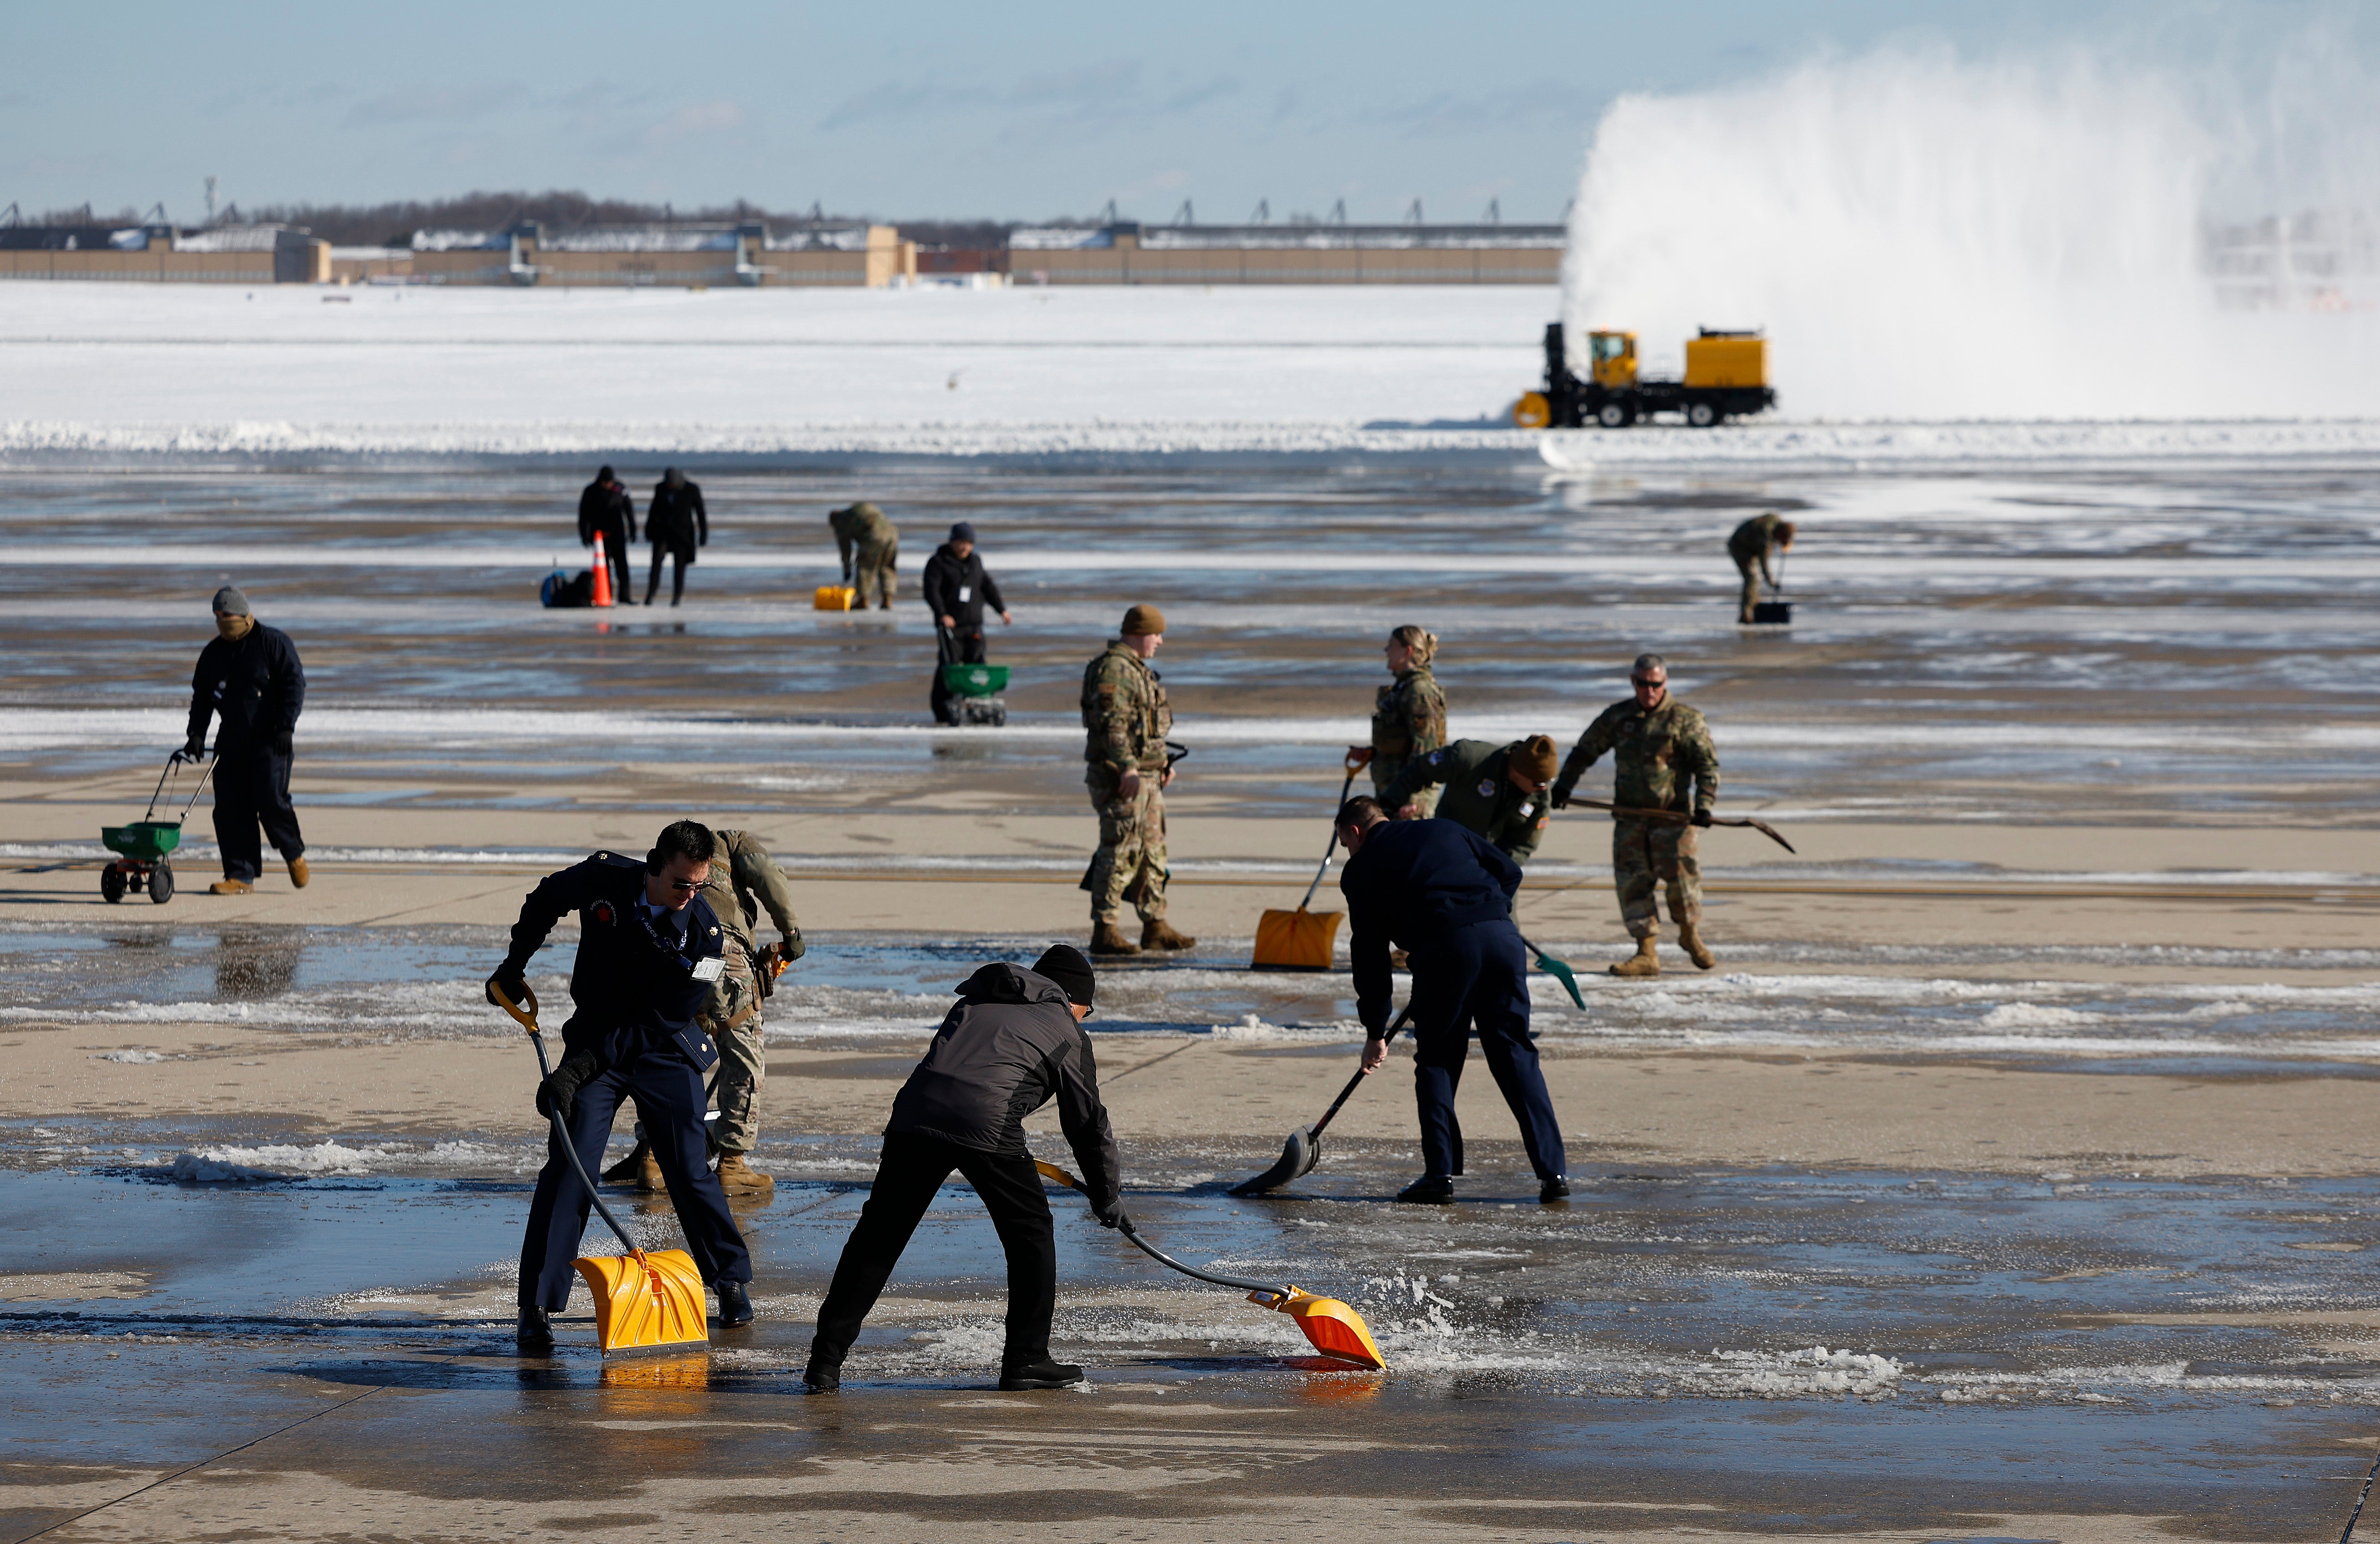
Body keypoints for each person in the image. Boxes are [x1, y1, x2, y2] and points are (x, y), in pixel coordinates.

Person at [803, 944, 1122, 1393]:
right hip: (986, 1123)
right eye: (1085, 1012)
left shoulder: (975, 1001)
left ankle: (824, 1362)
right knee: (1031, 1233)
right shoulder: (1065, 1031)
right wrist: (1108, 1194)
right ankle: (1027, 1359)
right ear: (1073, 1000)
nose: (1082, 1021)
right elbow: (1087, 1122)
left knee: (879, 1236)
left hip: (914, 1116)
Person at [486, 820, 754, 1353]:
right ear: (655, 866)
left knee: (685, 1167)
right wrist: (515, 964)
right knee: (570, 1165)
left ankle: (728, 1278)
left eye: (700, 886)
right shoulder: (607, 879)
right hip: (598, 1038)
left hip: (662, 1046)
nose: (690, 896)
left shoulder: (705, 937)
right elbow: (547, 898)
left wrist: (577, 1069)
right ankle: (536, 1304)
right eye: (682, 884)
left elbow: (656, 1020)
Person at [1337, 797, 1568, 1205]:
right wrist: (1489, 913)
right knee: (1515, 1053)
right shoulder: (1443, 828)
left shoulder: (1361, 869)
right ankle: (1553, 1172)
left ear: (1355, 832)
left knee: (1438, 1058)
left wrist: (1375, 1029)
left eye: (1345, 845)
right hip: (1503, 941)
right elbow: (1508, 871)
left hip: (1446, 951)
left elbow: (1369, 956)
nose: (1348, 853)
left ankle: (1439, 1175)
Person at [604, 826, 806, 1197]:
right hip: (722, 952)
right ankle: (732, 1165)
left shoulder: (675, 857)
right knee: (743, 1048)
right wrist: (791, 935)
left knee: (666, 1047)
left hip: (669, 948)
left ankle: (652, 1157)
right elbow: (769, 877)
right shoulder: (732, 842)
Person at [1550, 654, 1722, 978]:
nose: (1649, 691)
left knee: (1682, 884)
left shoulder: (1685, 719)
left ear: (1665, 683)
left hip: (1672, 820)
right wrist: (1564, 787)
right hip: (1630, 818)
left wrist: (1704, 805)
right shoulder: (1619, 717)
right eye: (1642, 684)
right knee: (1632, 884)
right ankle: (1646, 953)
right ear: (1633, 682)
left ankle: (1689, 935)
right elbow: (1586, 750)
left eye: (1655, 684)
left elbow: (1706, 766)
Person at [1080, 604, 1193, 957]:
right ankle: (1105, 929)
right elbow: (1112, 725)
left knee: (1151, 850)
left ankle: (1155, 925)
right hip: (1120, 779)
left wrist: (1158, 765)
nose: (1159, 641)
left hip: (1145, 777)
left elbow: (1140, 727)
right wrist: (1128, 767)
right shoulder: (1114, 670)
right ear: (1139, 632)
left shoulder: (1136, 669)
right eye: (1156, 634)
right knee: (1119, 851)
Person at [183, 587, 308, 896]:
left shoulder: (273, 643)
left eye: (227, 617)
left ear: (243, 615)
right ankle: (240, 876)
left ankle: (293, 853)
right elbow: (202, 697)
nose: (223, 623)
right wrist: (196, 734)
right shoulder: (213, 653)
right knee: (230, 809)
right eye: (218, 618)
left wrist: (286, 728)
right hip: (232, 741)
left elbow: (295, 683)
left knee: (270, 800)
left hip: (271, 740)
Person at [1378, 734, 1561, 865]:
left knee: (1501, 920)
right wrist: (1388, 806)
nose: (1544, 789)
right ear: (1518, 771)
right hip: (1443, 855)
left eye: (1549, 782)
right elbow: (1419, 770)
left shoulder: (1540, 798)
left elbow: (1523, 846)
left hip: (1491, 872)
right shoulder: (1469, 759)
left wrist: (1496, 872)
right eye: (1539, 783)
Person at [1347, 625, 1447, 817]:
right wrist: (1372, 753)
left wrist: (1412, 800)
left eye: (1391, 645)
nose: (1386, 651)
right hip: (1393, 794)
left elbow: (1426, 750)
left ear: (1408, 651)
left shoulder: (1420, 692)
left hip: (1408, 802)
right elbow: (1401, 742)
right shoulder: (1403, 688)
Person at [923, 520, 1012, 725]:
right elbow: (931, 591)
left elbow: (987, 587)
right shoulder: (938, 562)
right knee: (950, 667)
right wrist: (942, 614)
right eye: (961, 542)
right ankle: (943, 709)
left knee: (977, 667)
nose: (965, 547)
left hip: (974, 625)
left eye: (969, 543)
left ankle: (977, 709)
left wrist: (1002, 610)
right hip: (950, 627)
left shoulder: (975, 562)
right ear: (953, 541)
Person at [644, 467, 708, 607]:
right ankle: (651, 595)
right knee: (656, 563)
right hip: (663, 533)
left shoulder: (691, 490)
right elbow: (654, 510)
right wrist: (648, 529)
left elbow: (701, 513)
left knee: (680, 566)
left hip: (682, 535)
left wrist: (703, 535)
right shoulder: (661, 489)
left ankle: (677, 597)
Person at [576, 465, 636, 604]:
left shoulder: (620, 490)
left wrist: (633, 529)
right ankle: (606, 596)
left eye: (610, 482)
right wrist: (584, 535)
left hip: (618, 535)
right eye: (606, 482)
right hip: (599, 537)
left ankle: (625, 597)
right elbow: (583, 515)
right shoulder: (590, 492)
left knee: (622, 567)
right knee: (604, 569)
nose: (609, 485)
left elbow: (629, 510)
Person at [829, 501, 900, 609]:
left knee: (865, 567)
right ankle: (887, 600)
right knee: (887, 567)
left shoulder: (841, 522)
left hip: (874, 534)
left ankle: (863, 600)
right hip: (892, 533)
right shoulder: (856, 510)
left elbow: (845, 549)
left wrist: (847, 570)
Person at [1728, 513, 1796, 624]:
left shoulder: (1775, 520)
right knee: (1752, 578)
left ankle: (1754, 606)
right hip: (1739, 547)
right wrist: (1771, 582)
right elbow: (1764, 563)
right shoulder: (1765, 539)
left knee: (1755, 579)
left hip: (1751, 547)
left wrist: (1785, 544)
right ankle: (1746, 614)